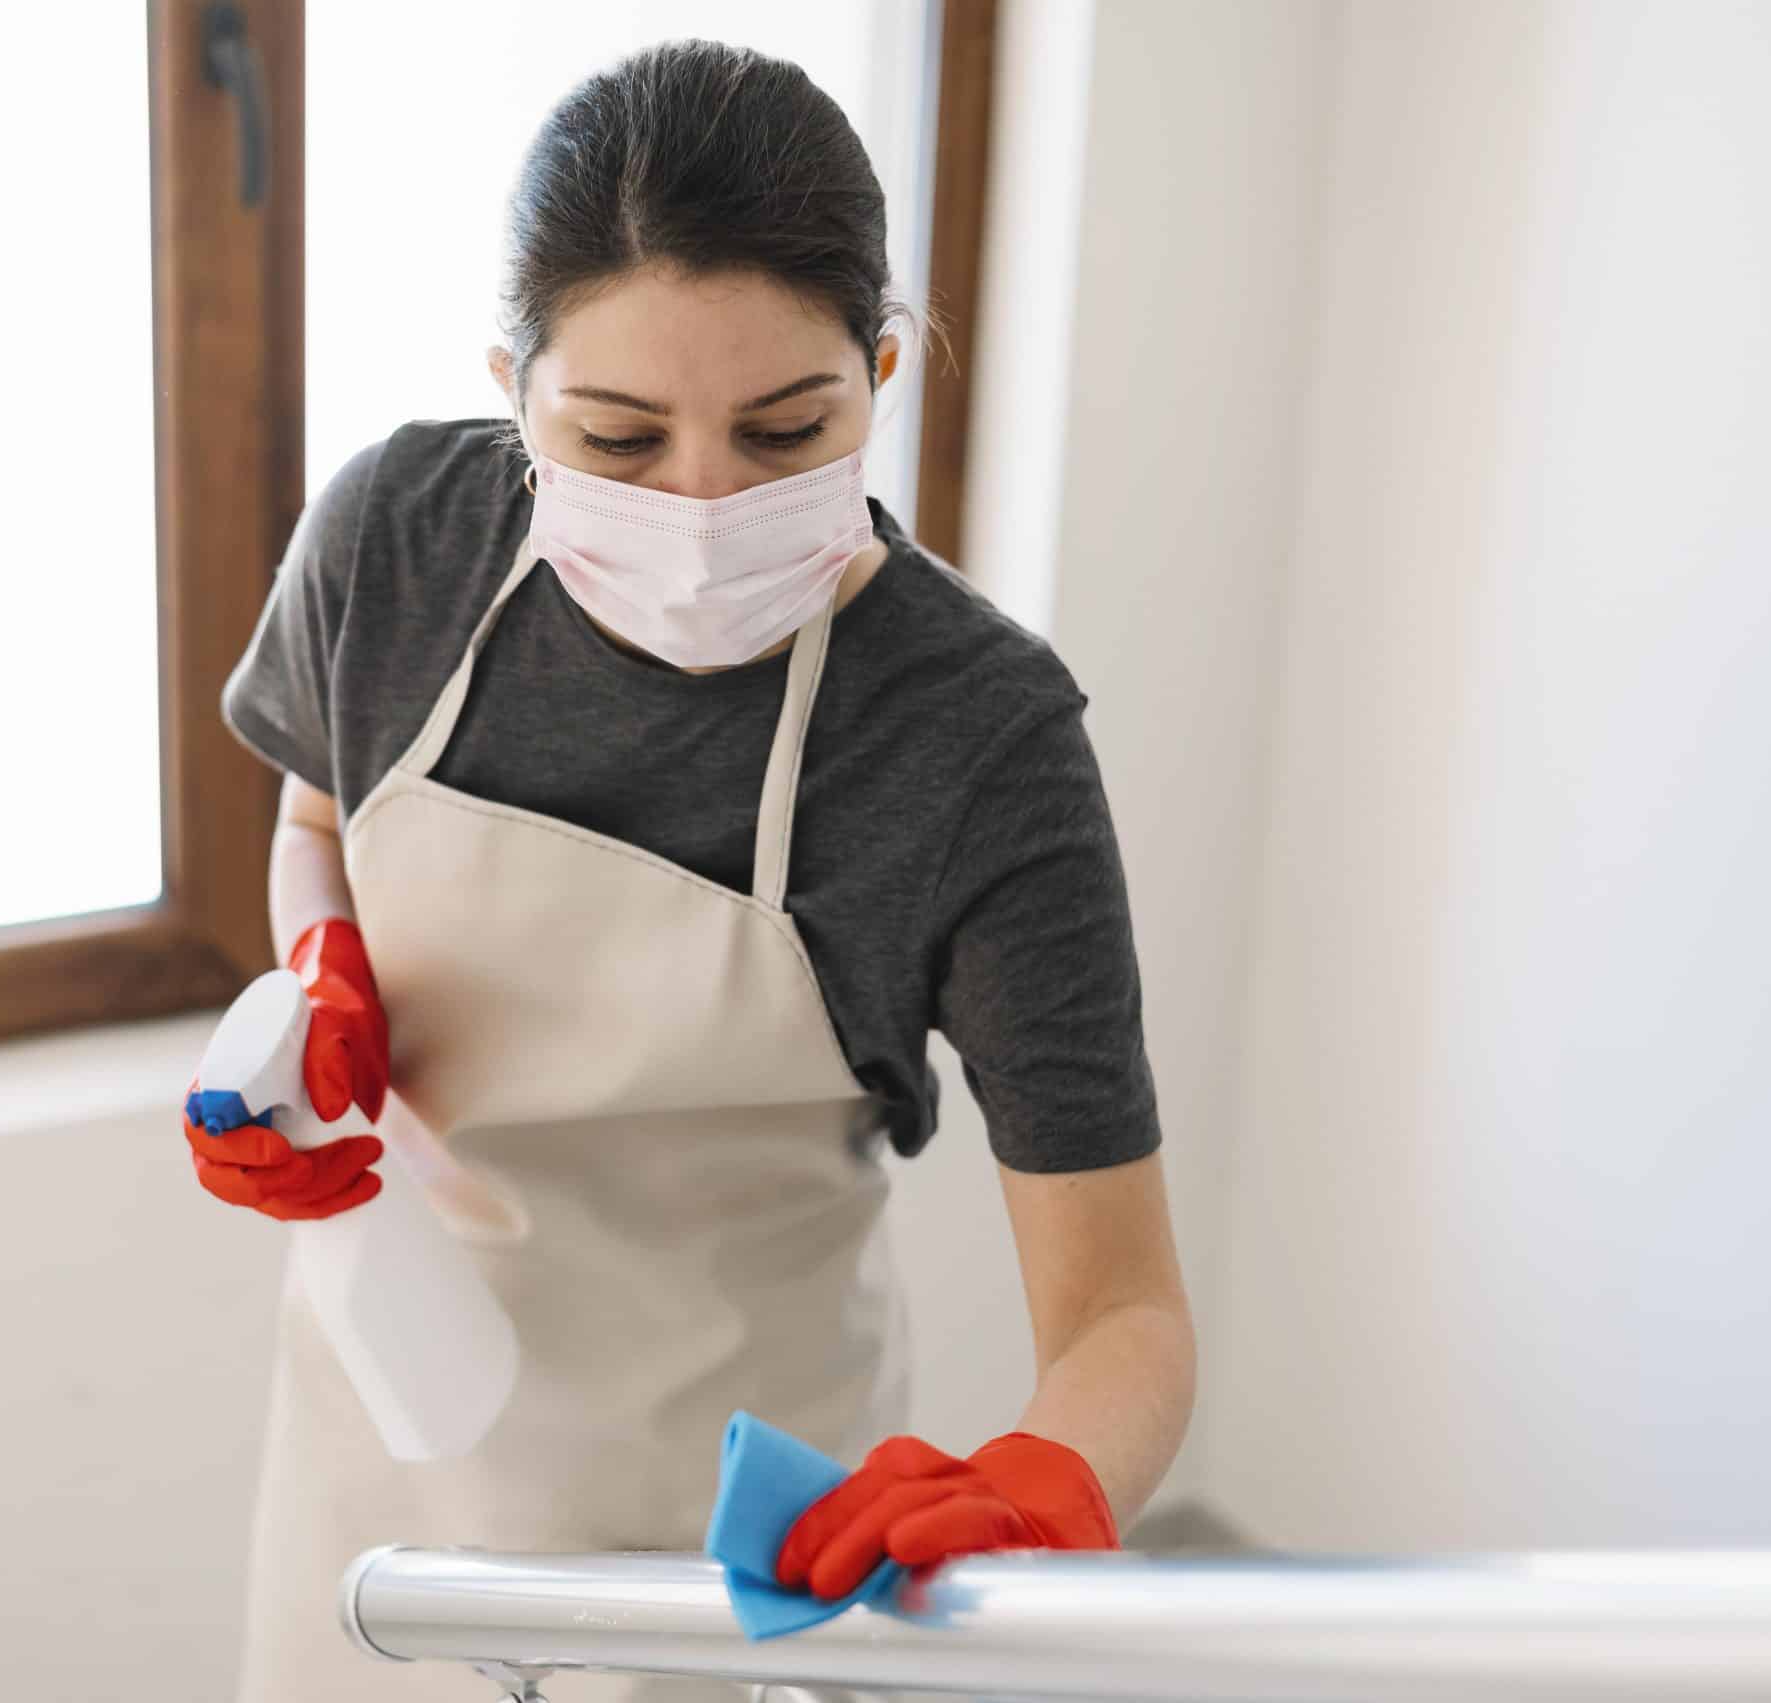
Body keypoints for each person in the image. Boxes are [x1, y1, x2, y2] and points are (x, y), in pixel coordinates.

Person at [191, 38, 1194, 1703]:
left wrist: (1051, 1477)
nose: (708, 505)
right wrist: (316, 981)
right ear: (512, 383)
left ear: (881, 371)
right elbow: (316, 826)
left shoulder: (976, 740)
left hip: (737, 1564)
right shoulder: (397, 545)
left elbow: (1126, 1315)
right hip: (388, 1480)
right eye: (621, 436)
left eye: (790, 429)